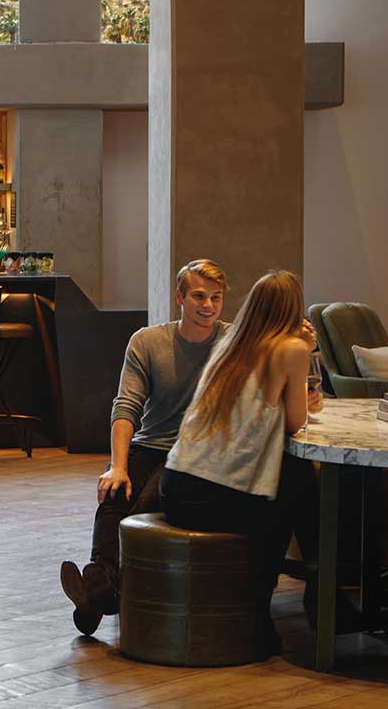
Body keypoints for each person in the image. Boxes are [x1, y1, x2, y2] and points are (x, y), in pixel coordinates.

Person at [59, 258, 229, 635]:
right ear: (180, 297)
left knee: (145, 501)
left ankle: (97, 593)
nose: (208, 306)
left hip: (195, 455)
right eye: (199, 296)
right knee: (115, 492)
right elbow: (126, 407)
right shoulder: (148, 342)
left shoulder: (232, 342)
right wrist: (117, 466)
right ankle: (101, 588)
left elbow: (272, 347)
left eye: (216, 298)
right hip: (149, 445)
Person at [160, 269, 323, 653]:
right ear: (293, 309)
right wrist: (307, 353)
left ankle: (294, 599)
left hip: (176, 486)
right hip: (212, 497)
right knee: (293, 487)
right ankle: (307, 595)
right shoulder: (292, 349)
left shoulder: (230, 342)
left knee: (291, 480)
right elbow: (296, 422)